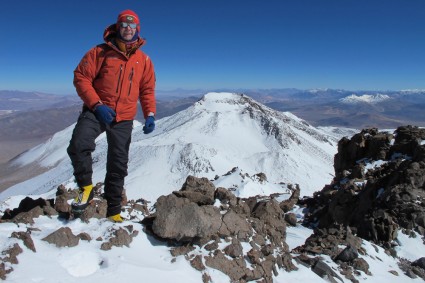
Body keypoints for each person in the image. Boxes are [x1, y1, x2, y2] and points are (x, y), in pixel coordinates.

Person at [67, 9, 156, 222]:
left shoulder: (143, 60)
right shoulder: (99, 52)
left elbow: (147, 90)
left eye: (132, 25)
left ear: (137, 30)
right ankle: (85, 187)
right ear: (117, 27)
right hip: (97, 111)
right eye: (124, 25)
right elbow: (81, 77)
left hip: (124, 118)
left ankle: (114, 210)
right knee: (79, 145)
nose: (127, 28)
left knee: (118, 164)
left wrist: (150, 114)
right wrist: (97, 105)